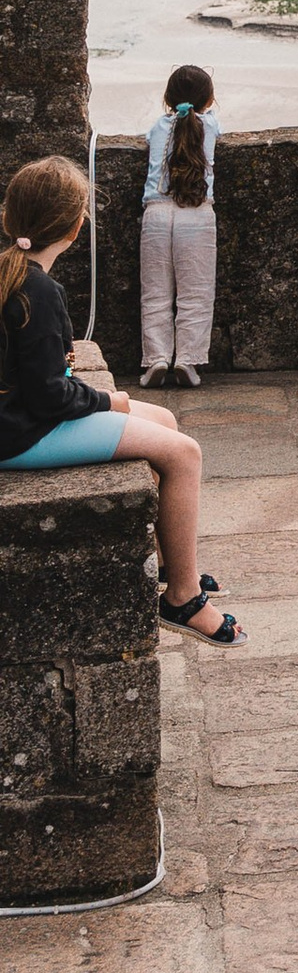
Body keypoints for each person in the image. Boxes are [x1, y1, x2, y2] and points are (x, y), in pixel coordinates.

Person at [0, 156, 240, 644]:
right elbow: (49, 395)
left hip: (17, 418)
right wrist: (109, 402)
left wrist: (113, 401)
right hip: (20, 432)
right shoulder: (38, 291)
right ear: (74, 227)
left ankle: (173, 564)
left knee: (165, 419)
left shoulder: (14, 275)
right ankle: (183, 600)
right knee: (184, 453)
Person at [140, 63, 220, 389]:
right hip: (197, 214)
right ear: (208, 99)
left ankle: (156, 359)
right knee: (196, 294)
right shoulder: (210, 125)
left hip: (157, 214)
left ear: (168, 98)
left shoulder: (159, 127)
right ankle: (187, 359)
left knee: (155, 293)